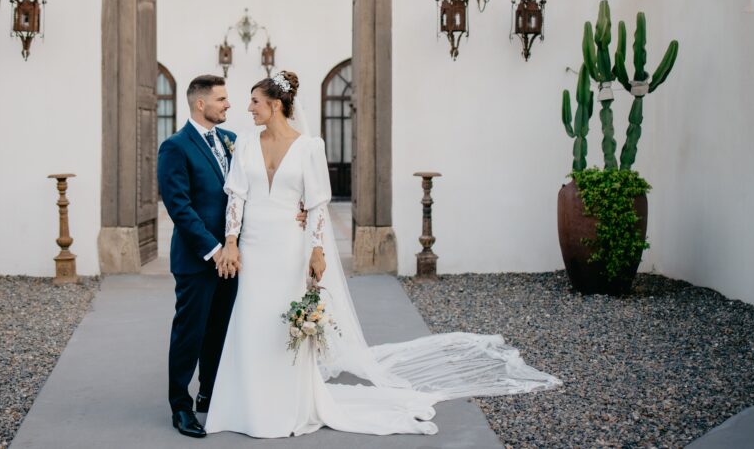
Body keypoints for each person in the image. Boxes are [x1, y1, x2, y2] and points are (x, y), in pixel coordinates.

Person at [204, 71, 562, 438]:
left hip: (289, 248)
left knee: (282, 320)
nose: (248, 108)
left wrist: (316, 250)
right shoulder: (246, 144)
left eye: (255, 102)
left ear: (276, 105)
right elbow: (237, 197)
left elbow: (316, 205)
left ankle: (286, 404)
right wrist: (231, 242)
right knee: (250, 318)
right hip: (254, 246)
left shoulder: (308, 147)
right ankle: (246, 404)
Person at [157, 74, 306, 439]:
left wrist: (298, 209)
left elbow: (251, 190)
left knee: (220, 329)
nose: (229, 105)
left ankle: (210, 391)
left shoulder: (233, 141)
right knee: (189, 332)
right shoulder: (175, 147)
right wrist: (215, 249)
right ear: (200, 104)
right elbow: (180, 207)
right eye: (222, 99)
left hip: (235, 258)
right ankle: (180, 405)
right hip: (199, 258)